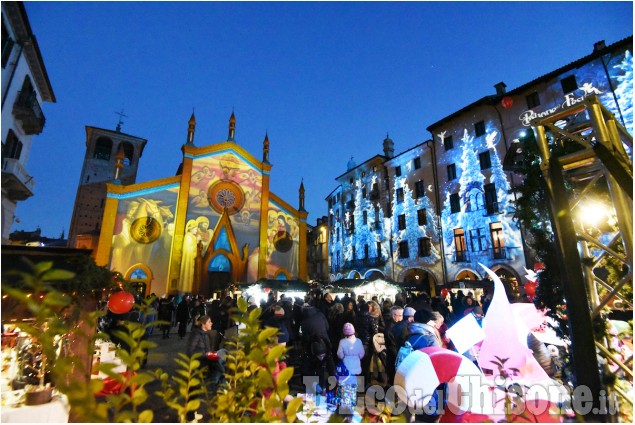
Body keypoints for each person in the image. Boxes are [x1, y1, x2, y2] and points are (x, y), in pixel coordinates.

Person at [186, 315, 216, 422]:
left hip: (201, 365)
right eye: (209, 322)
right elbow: (190, 351)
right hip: (196, 366)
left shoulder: (204, 334)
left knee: (196, 391)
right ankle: (189, 417)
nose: (211, 323)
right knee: (193, 391)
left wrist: (209, 354)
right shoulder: (196, 334)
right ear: (203, 324)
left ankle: (192, 413)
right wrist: (205, 354)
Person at [336, 323, 365, 408]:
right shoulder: (358, 341)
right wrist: (357, 357)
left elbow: (339, 354)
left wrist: (344, 357)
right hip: (356, 363)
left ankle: (346, 400)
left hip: (346, 364)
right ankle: (353, 399)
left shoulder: (342, 341)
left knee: (346, 383)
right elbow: (362, 353)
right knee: (354, 383)